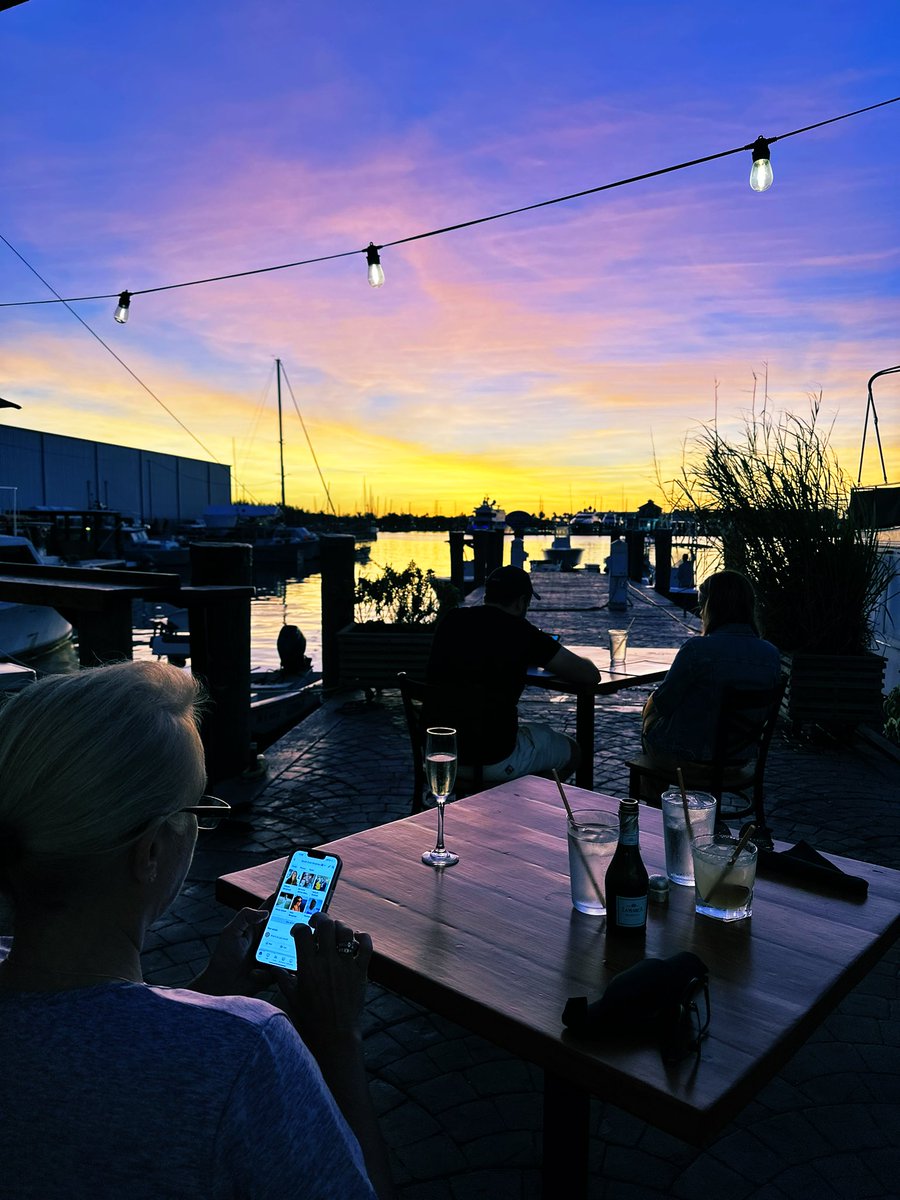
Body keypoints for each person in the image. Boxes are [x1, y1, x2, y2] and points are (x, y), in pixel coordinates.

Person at [0, 661, 393, 1200]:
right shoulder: (244, 1052)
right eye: (197, 809)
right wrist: (336, 1040)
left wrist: (207, 992)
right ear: (153, 851)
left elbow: (93, 1033)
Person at [423, 565, 599, 782]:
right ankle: (519, 807)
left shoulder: (452, 620)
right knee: (572, 752)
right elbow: (589, 675)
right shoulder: (523, 633)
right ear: (520, 602)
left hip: (441, 755)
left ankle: (499, 804)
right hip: (492, 758)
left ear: (487, 596)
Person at [641, 569, 781, 767]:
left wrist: (649, 706)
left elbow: (664, 702)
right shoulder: (771, 655)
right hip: (737, 761)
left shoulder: (697, 650)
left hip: (692, 758)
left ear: (710, 607)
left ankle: (654, 796)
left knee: (651, 716)